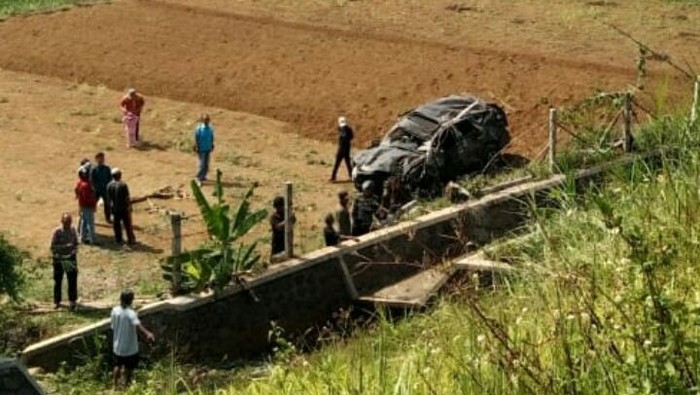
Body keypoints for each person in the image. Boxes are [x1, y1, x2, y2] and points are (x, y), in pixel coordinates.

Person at [111, 289, 155, 389]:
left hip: (117, 346)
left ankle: (115, 385)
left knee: (117, 365)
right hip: (129, 348)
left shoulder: (115, 311)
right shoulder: (131, 313)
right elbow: (139, 326)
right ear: (131, 300)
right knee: (128, 368)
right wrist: (148, 333)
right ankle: (126, 385)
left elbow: (113, 326)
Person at [50, 213, 79, 310]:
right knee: (58, 281)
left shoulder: (73, 231)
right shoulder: (57, 232)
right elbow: (53, 246)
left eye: (69, 222)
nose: (68, 224)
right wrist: (65, 246)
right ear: (62, 221)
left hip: (70, 258)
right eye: (66, 221)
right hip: (59, 259)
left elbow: (76, 243)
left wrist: (73, 250)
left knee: (72, 280)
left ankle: (72, 301)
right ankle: (57, 301)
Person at [107, 168, 136, 245]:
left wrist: (110, 209)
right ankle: (130, 240)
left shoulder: (109, 185)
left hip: (115, 208)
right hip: (124, 208)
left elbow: (109, 199)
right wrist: (129, 206)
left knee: (116, 225)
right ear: (120, 176)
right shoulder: (123, 185)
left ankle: (118, 240)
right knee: (127, 224)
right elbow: (127, 198)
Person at [75, 168, 97, 244]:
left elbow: (76, 191)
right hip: (87, 206)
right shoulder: (86, 185)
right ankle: (93, 240)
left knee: (83, 222)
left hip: (82, 206)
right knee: (91, 223)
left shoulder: (79, 183)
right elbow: (88, 198)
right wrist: (93, 205)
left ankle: (82, 238)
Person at [330, 116, 354, 182]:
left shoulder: (341, 129)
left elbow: (343, 137)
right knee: (348, 163)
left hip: (341, 149)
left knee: (337, 163)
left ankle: (333, 177)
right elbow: (352, 137)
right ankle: (351, 176)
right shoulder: (349, 129)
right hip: (347, 149)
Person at [90, 152, 113, 223]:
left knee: (107, 204)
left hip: (105, 190)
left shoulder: (107, 169)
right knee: (93, 204)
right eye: (99, 158)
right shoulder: (94, 169)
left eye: (102, 158)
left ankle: (108, 218)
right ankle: (91, 218)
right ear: (96, 159)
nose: (101, 160)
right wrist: (93, 188)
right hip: (96, 190)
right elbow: (91, 180)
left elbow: (110, 178)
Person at [194, 113, 215, 186]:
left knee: (206, 164)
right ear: (202, 120)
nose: (207, 121)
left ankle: (203, 176)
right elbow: (196, 138)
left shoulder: (210, 128)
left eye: (208, 120)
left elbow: (212, 137)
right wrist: (196, 146)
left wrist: (212, 144)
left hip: (207, 148)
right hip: (201, 148)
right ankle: (198, 178)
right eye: (205, 120)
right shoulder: (199, 128)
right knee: (202, 164)